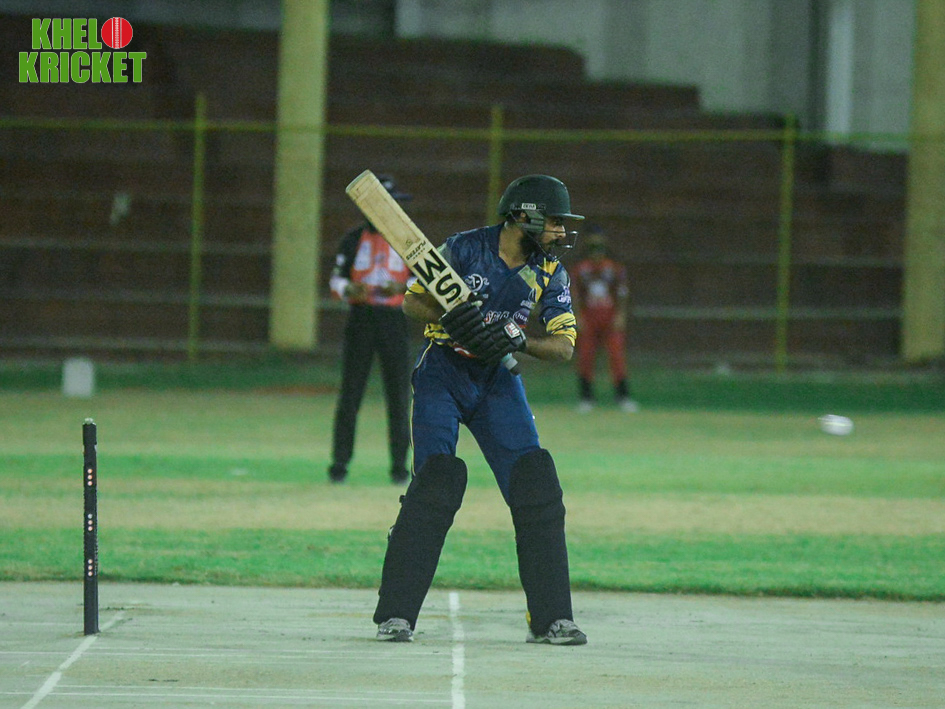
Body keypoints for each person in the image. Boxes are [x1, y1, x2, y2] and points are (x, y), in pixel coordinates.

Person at [372, 174, 588, 646]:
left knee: (535, 483)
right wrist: (455, 317)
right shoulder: (464, 248)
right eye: (553, 221)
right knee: (435, 481)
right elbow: (412, 302)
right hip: (443, 371)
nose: (559, 232)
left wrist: (519, 340)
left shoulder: (550, 271)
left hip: (497, 380)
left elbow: (563, 347)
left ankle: (552, 618)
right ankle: (397, 615)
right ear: (522, 216)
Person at [327, 176, 413, 485]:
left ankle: (400, 467)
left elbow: (426, 279)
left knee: (399, 395)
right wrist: (350, 288)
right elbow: (336, 279)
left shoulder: (409, 241)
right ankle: (339, 465)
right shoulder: (353, 239)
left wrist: (401, 288)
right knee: (351, 393)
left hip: (394, 320)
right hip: (361, 319)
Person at [570, 227, 639, 413]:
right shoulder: (581, 269)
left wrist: (620, 315)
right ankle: (586, 397)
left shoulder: (614, 268)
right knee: (586, 356)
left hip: (609, 316)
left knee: (616, 356)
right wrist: (578, 316)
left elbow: (622, 292)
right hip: (589, 317)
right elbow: (575, 294)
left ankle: (623, 396)